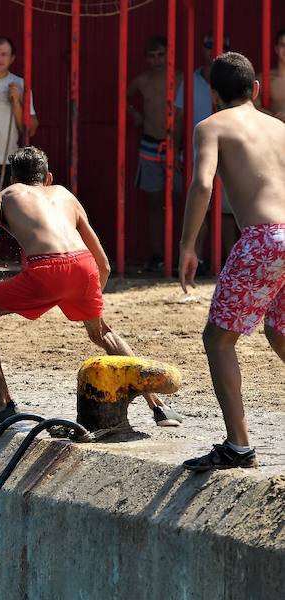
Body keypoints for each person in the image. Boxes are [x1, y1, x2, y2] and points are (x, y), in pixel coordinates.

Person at [0, 146, 183, 441]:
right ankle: (158, 406)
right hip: (85, 267)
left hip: (45, 269)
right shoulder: (65, 194)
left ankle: (1, 405)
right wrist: (87, 294)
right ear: (48, 177)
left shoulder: (6, 196)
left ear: (13, 179)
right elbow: (104, 264)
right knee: (102, 333)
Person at [179, 52, 285, 471]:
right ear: (256, 88)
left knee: (217, 340)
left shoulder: (211, 125)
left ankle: (238, 447)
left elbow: (203, 183)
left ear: (212, 93)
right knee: (279, 333)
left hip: (261, 240)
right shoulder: (279, 127)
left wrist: (189, 244)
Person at [175, 32, 239, 263]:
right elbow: (180, 118)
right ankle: (198, 259)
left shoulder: (235, 78)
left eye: (223, 44)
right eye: (209, 44)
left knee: (229, 210)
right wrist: (175, 151)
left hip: (230, 153)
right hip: (197, 152)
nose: (215, 48)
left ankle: (231, 260)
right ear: (202, 47)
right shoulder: (190, 81)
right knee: (200, 207)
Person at [127, 35, 182, 272]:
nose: (156, 60)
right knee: (154, 202)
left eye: (161, 55)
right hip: (150, 144)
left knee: (182, 200)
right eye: (152, 56)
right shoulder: (142, 81)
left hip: (177, 145)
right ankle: (157, 253)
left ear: (169, 54)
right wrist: (134, 114)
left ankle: (181, 252)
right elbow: (123, 96)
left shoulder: (180, 79)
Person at [0, 36, 38, 207]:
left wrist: (17, 102)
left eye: (4, 54)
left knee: (5, 211)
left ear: (12, 58)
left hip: (9, 161)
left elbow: (29, 129)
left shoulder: (20, 84)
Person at [268, 28, 285, 121]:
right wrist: (273, 118)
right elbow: (253, 107)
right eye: (283, 45)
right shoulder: (264, 79)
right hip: (274, 132)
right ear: (276, 49)